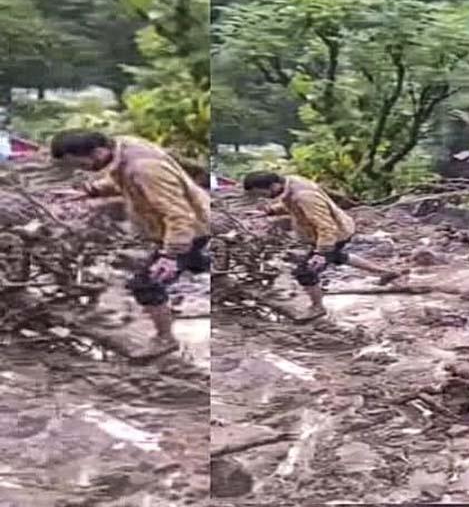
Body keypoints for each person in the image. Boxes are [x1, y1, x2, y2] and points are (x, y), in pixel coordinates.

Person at [50, 129, 210, 359]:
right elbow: (122, 177)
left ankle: (166, 340)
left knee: (146, 284)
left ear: (97, 151)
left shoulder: (145, 169)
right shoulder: (122, 148)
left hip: (189, 230)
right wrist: (91, 190)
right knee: (199, 265)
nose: (81, 169)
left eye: (81, 163)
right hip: (187, 228)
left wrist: (170, 255)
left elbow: (180, 215)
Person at [242, 171, 401, 320]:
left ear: (273, 185)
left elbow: (326, 226)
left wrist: (321, 252)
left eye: (261, 193)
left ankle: (317, 307)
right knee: (338, 257)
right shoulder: (291, 184)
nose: (263, 197)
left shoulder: (304, 196)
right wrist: (270, 211)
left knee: (305, 272)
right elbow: (291, 205)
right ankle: (386, 272)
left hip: (332, 235)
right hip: (338, 231)